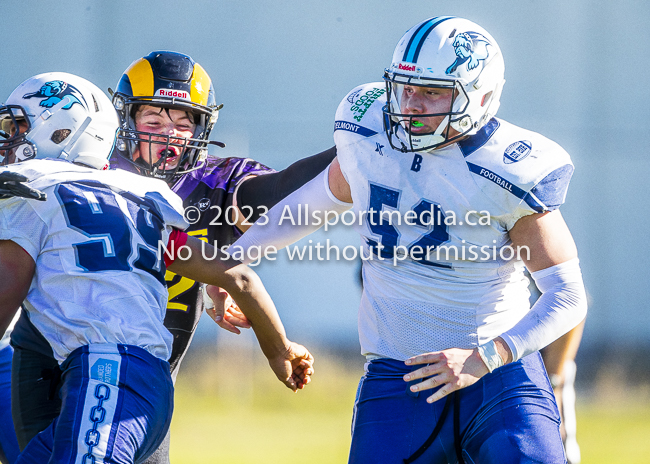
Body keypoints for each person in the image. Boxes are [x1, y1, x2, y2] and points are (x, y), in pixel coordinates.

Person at [227, 16, 588, 463]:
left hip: (500, 378)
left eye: (432, 92)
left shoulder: (510, 168)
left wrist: (486, 356)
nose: (411, 105)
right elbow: (319, 200)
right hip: (398, 374)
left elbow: (568, 294)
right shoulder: (370, 132)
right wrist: (232, 265)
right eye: (405, 87)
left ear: (481, 95)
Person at [5, 52, 334, 463]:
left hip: (140, 363)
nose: (170, 135)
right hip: (53, 351)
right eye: (154, 121)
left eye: (183, 123)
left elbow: (273, 194)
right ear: (124, 120)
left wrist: (356, 151)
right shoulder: (102, 179)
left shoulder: (200, 183)